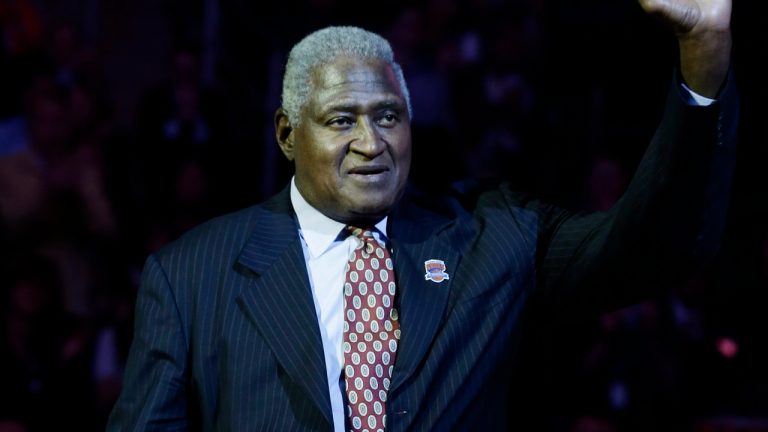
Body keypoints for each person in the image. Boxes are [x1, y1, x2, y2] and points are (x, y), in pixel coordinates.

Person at [107, 0, 738, 430]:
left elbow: (654, 249)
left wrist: (704, 54)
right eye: (341, 120)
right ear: (286, 134)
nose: (371, 142)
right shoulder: (191, 275)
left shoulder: (492, 235)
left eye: (388, 116)